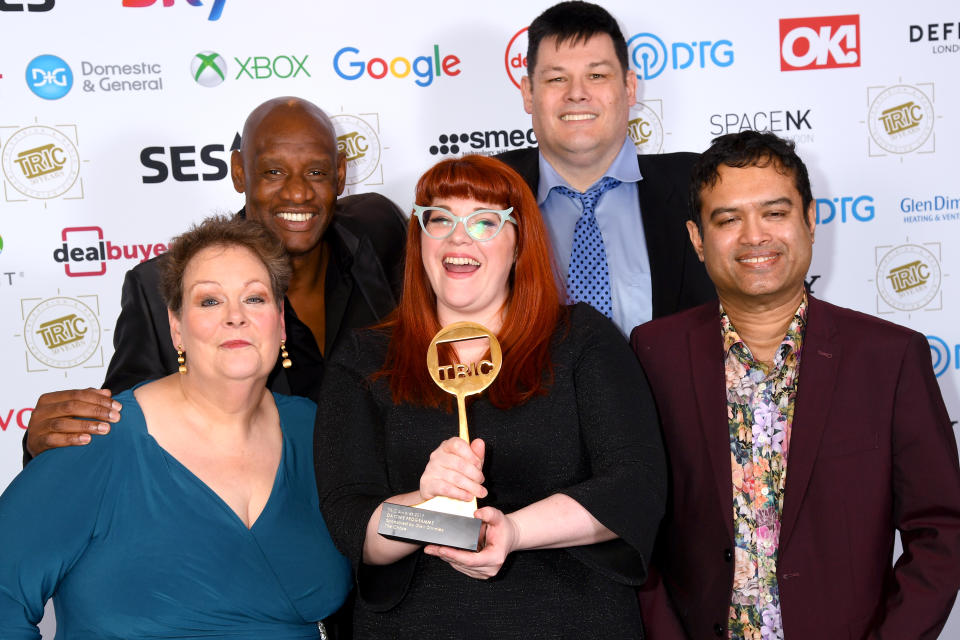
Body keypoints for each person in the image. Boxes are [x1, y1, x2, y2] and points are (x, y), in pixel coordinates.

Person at [314, 155, 666, 638]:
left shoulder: (582, 340)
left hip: (574, 620)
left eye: (485, 221)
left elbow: (636, 487)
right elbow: (350, 524)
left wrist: (513, 532)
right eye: (440, 219)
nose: (459, 238)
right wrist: (428, 504)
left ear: (520, 243)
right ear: (420, 240)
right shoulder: (365, 358)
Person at [631, 130, 960, 639]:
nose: (754, 235)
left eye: (775, 213)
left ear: (810, 220)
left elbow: (942, 529)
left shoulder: (889, 357)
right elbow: (632, 522)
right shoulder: (653, 354)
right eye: (728, 219)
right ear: (697, 239)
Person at [0, 216, 352, 638]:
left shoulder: (315, 430)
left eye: (254, 299)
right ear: (176, 326)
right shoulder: (98, 437)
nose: (235, 317)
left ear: (279, 320)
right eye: (209, 301)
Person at [23, 96, 406, 461]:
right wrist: (46, 440)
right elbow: (125, 428)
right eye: (273, 171)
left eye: (317, 172)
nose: (298, 192)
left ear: (340, 175)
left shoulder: (380, 232)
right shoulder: (164, 289)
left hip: (381, 508)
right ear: (239, 171)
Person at [497, 0, 714, 336]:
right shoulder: (482, 194)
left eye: (596, 75)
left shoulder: (703, 184)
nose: (577, 94)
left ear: (629, 88)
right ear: (528, 93)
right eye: (556, 79)